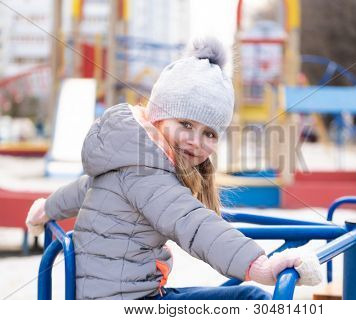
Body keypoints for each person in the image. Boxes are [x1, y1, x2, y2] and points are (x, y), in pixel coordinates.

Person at [26, 37, 322, 300]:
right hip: (127, 301)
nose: (196, 141)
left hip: (116, 294)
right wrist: (260, 266)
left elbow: (82, 190)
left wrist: (47, 209)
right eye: (186, 124)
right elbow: (194, 224)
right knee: (251, 298)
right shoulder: (147, 174)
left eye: (209, 133)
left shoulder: (125, 158)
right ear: (157, 117)